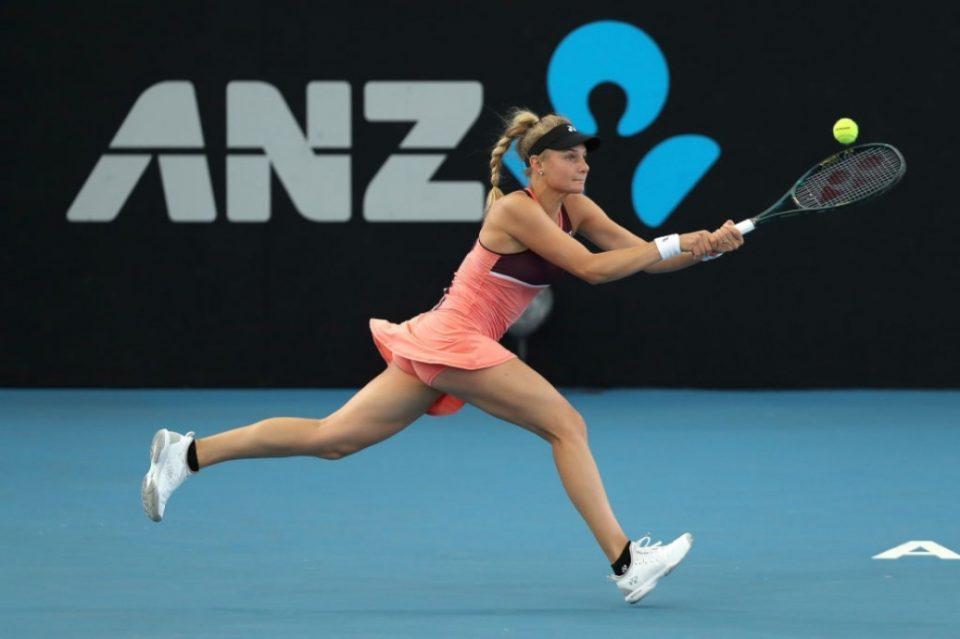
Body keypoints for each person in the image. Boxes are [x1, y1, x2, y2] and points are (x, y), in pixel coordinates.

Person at [141, 108, 745, 604]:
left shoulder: (577, 208)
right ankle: (626, 562)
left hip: (445, 339)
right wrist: (676, 243)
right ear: (536, 165)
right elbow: (592, 269)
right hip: (456, 338)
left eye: (585, 155)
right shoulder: (514, 209)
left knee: (332, 439)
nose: (583, 163)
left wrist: (707, 248)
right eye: (570, 155)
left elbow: (640, 258)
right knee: (566, 425)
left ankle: (185, 455)